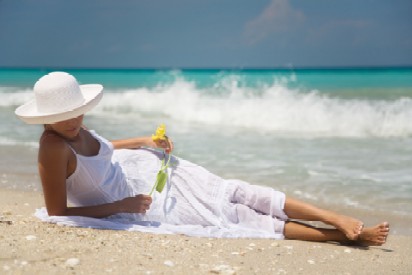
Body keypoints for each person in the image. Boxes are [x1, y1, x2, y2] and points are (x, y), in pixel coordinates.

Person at [15, 72, 389, 246]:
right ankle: (336, 237)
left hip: (141, 172)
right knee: (236, 217)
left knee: (237, 191)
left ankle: (332, 216)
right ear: (46, 117)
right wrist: (122, 205)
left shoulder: (74, 131)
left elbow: (102, 150)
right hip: (136, 204)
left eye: (79, 109)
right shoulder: (52, 146)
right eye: (66, 113)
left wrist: (144, 140)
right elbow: (59, 213)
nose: (76, 117)